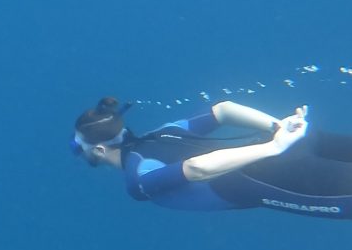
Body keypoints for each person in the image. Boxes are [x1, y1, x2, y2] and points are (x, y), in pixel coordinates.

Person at [71, 97, 352, 218]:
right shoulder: (164, 133)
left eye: (80, 147)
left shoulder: (138, 180)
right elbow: (224, 109)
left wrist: (274, 148)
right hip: (301, 144)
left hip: (280, 175)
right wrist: (279, 128)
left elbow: (195, 168)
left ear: (98, 150)